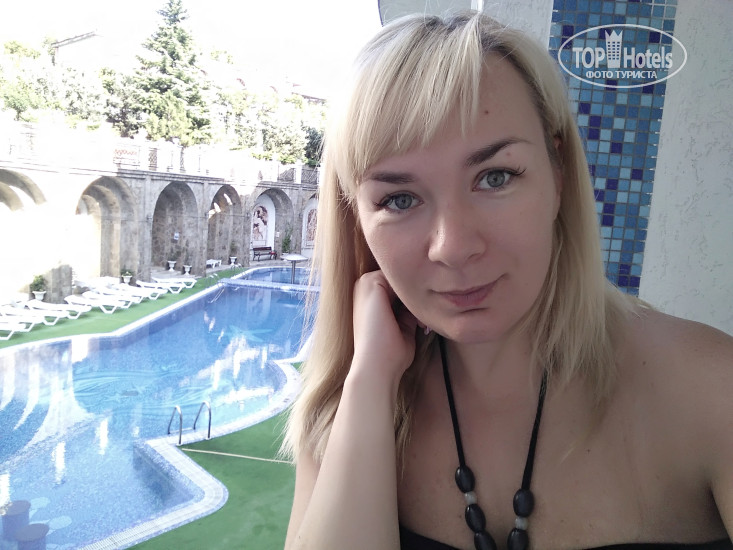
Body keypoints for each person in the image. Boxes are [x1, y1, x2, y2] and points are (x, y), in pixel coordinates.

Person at [282, 11, 733, 550]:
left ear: (558, 174)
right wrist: (370, 384)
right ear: (357, 219)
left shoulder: (711, 392)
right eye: (399, 199)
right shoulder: (344, 411)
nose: (453, 247)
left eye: (495, 177)